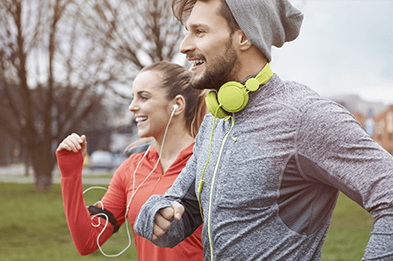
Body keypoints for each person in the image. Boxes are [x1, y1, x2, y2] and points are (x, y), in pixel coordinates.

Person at [133, 0, 393, 260]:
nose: (184, 46)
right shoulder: (215, 121)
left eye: (199, 32)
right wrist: (157, 212)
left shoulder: (305, 116)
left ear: (243, 37)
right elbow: (183, 209)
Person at [56, 61, 207, 260]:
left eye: (143, 97)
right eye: (132, 97)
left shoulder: (209, 163)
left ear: (177, 105)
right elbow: (87, 241)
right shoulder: (131, 169)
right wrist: (70, 174)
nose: (132, 107)